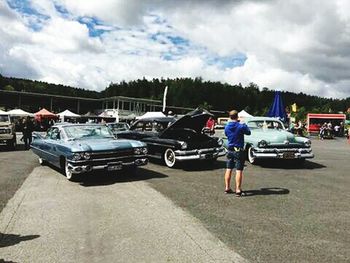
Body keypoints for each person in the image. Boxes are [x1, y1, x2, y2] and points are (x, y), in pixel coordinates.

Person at [224, 110, 251, 197]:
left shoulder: (227, 126)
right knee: (238, 170)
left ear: (230, 117)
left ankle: (227, 187)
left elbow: (226, 135)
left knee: (229, 169)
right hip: (238, 150)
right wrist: (243, 123)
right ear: (237, 116)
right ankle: (238, 189)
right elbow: (248, 132)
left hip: (230, 149)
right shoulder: (240, 126)